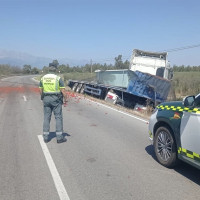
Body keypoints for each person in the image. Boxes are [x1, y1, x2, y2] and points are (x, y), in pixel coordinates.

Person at [39, 66, 67, 143]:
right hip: (56, 100)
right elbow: (63, 91)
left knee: (46, 117)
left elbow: (40, 89)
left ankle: (45, 137)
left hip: (46, 99)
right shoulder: (58, 78)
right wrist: (66, 99)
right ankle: (59, 138)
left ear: (49, 70)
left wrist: (42, 98)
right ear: (55, 71)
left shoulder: (43, 78)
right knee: (58, 117)